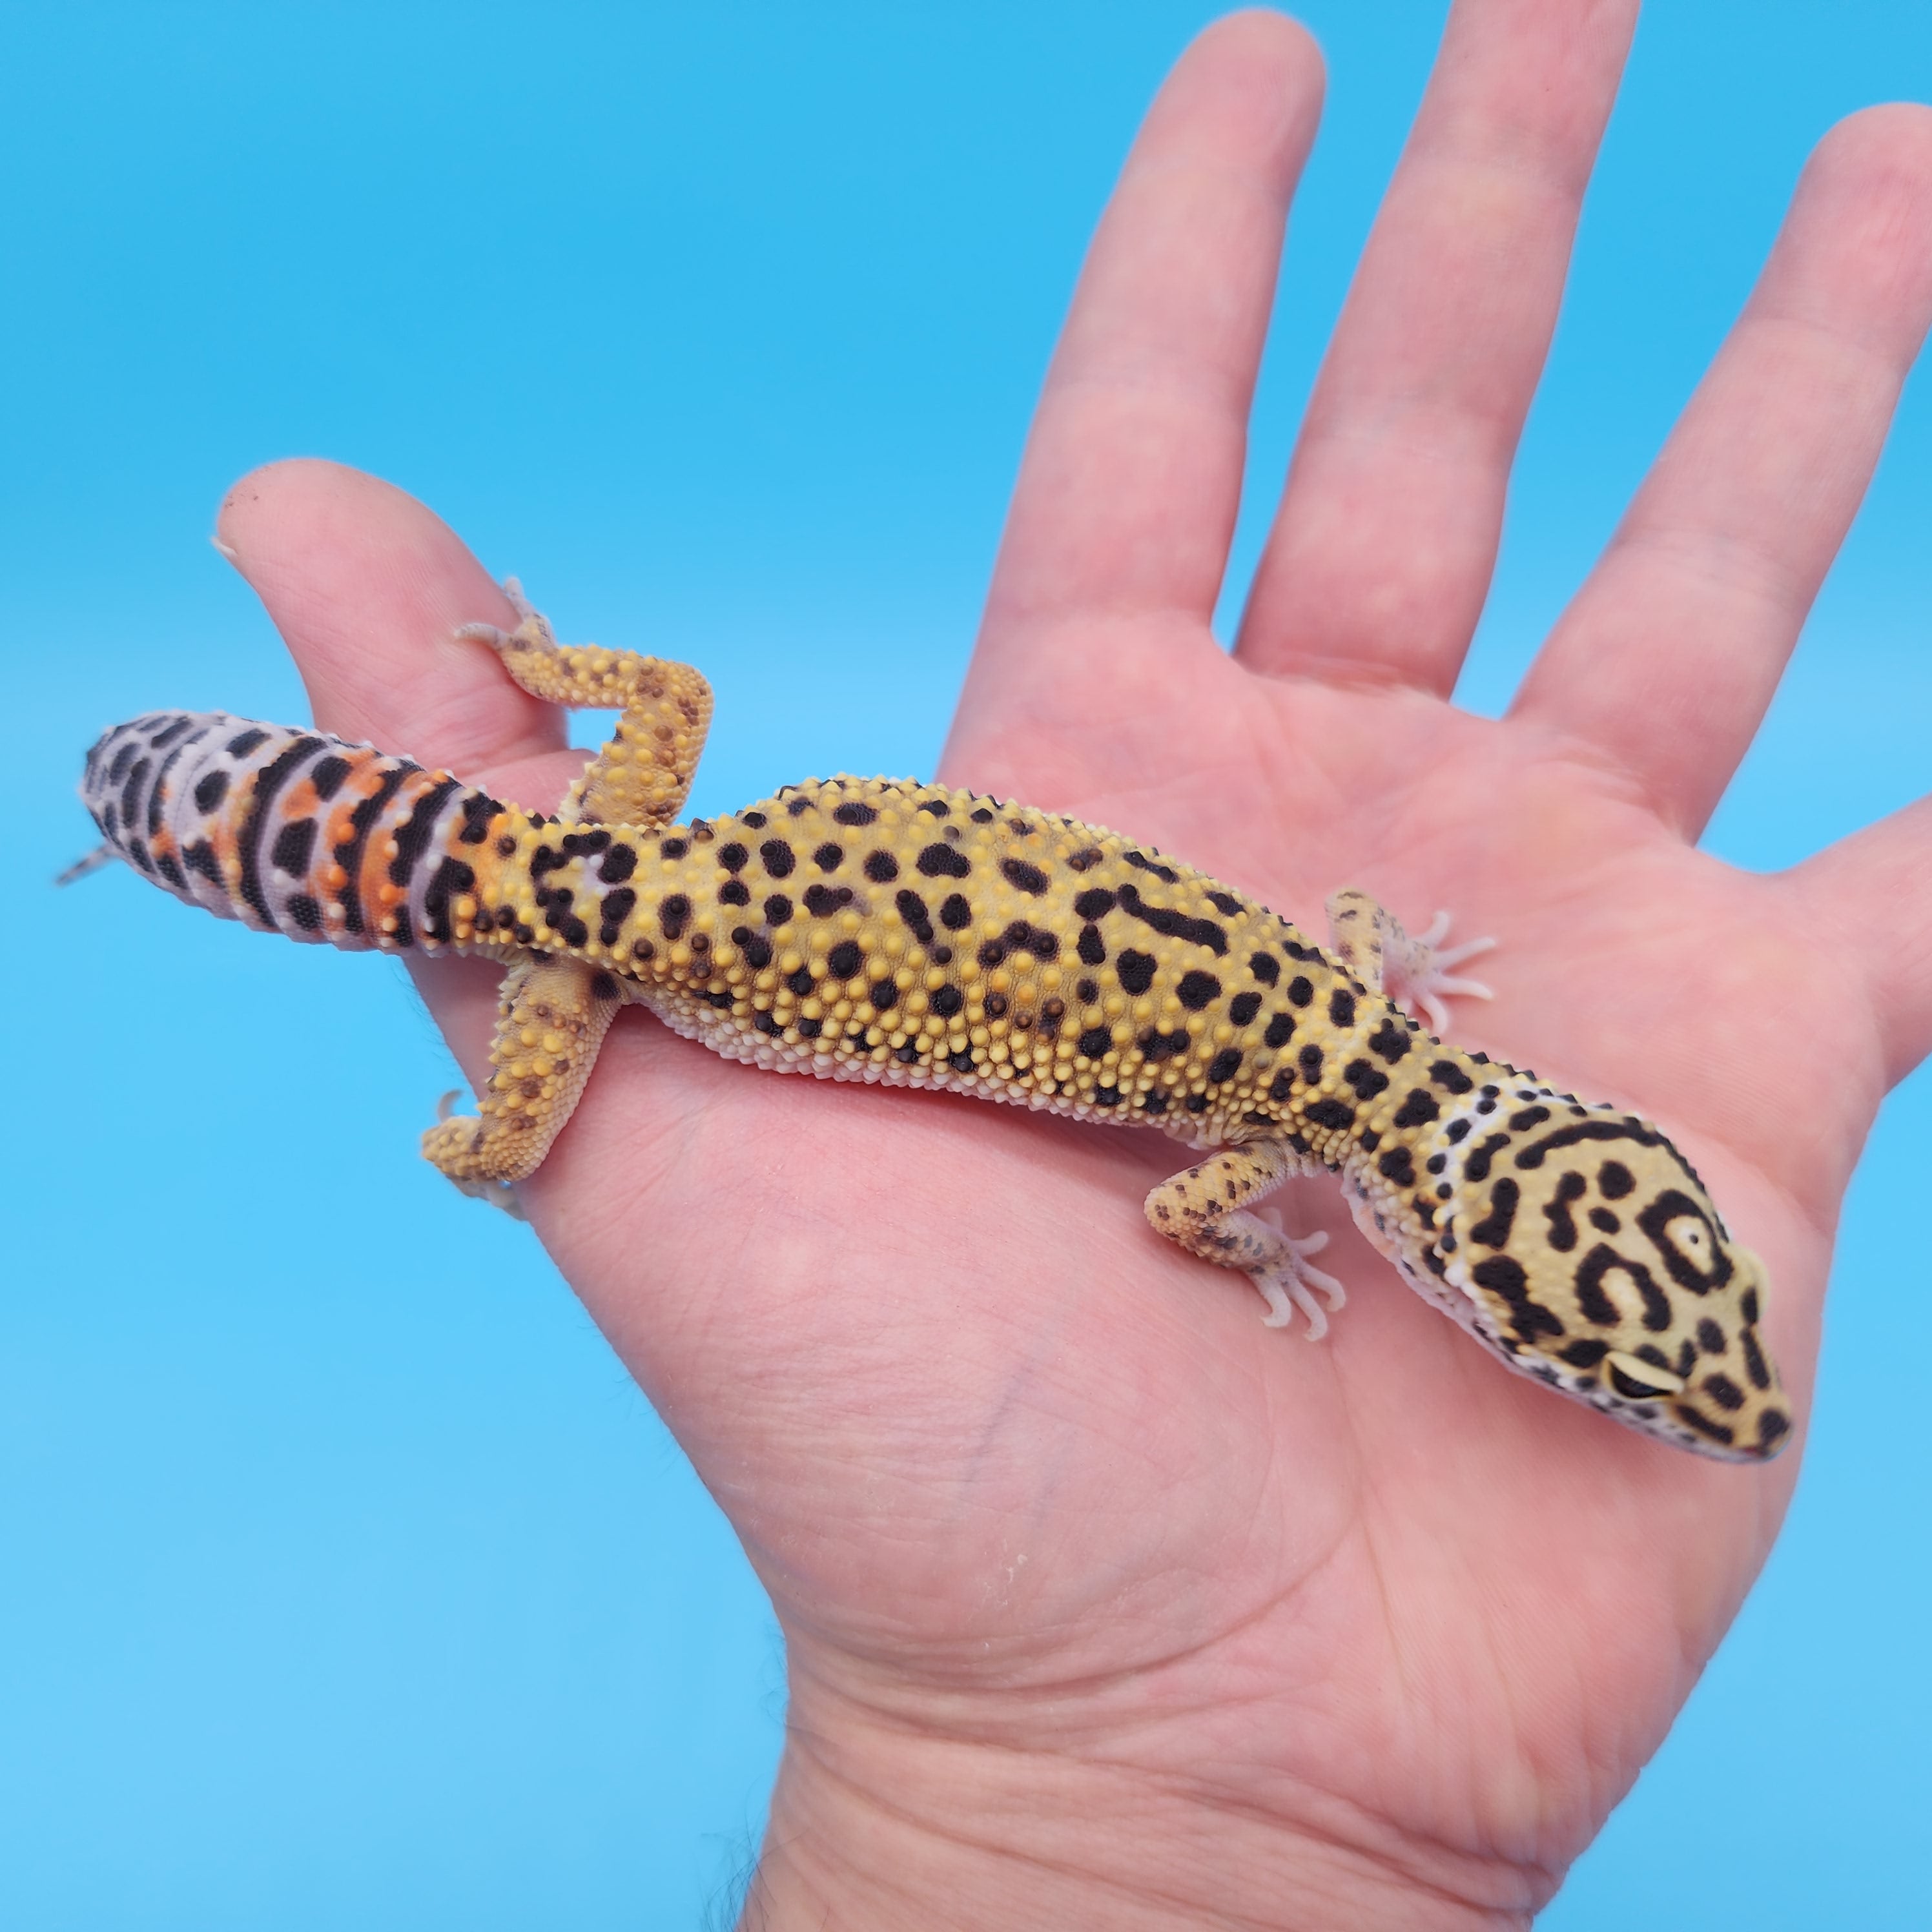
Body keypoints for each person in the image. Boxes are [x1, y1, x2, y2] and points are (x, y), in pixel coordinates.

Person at [208, 5, 1932, 1924]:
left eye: (1617, 1349)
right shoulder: (1270, 1152)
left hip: (670, 854)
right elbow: (1192, 1218)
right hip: (659, 960)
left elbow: (1340, 972)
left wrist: (543, 686)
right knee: (506, 1144)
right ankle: (427, 1078)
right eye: (1603, 1349)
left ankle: (316, 817)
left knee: (651, 748)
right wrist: (1281, 1242)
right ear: (1455, 1250)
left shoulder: (1350, 1011)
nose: (1688, 1393)